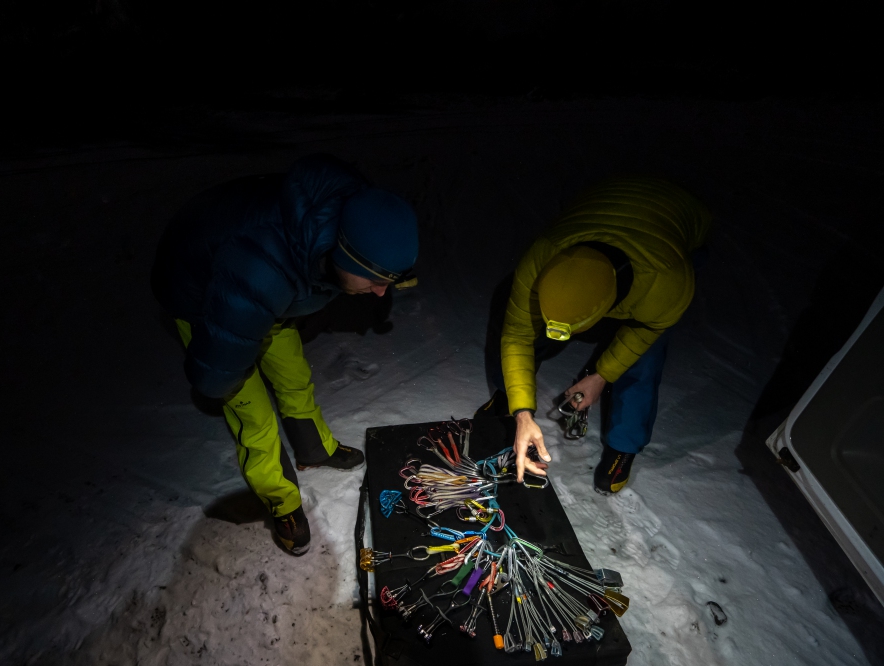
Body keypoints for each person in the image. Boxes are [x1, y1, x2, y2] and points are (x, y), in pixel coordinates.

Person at [151, 154, 418, 554]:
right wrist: (223, 372)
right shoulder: (261, 266)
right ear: (344, 257)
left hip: (264, 289)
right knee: (252, 413)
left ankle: (314, 448)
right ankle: (283, 502)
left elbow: (304, 282)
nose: (382, 293)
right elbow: (213, 374)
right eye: (376, 280)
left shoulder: (340, 228)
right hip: (203, 295)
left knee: (292, 372)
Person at [477, 176, 711, 494]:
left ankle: (623, 446)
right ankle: (509, 396)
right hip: (604, 198)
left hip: (678, 220)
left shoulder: (666, 282)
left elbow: (644, 333)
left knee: (644, 358)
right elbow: (517, 334)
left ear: (605, 314)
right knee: (518, 319)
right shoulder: (541, 257)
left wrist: (602, 375)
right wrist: (522, 411)